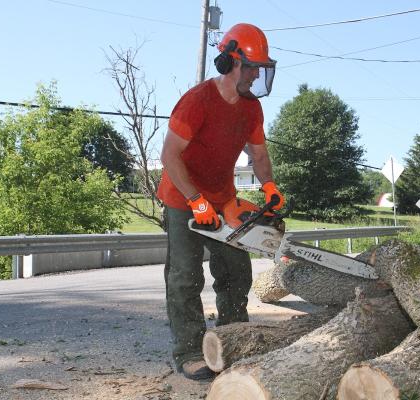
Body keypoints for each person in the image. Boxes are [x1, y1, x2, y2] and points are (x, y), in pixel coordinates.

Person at [157, 23, 285, 380]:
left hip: (223, 197)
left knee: (235, 272)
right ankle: (187, 350)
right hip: (182, 196)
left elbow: (258, 154)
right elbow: (169, 156)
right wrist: (196, 200)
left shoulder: (251, 109)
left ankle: (233, 339)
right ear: (229, 62)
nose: (256, 74)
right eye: (250, 66)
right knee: (185, 276)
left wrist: (270, 185)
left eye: (261, 68)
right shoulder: (197, 101)